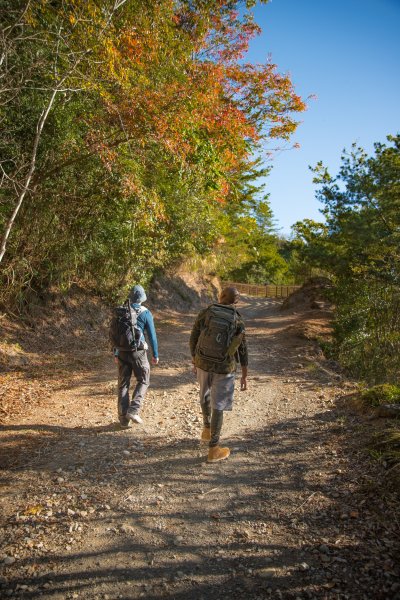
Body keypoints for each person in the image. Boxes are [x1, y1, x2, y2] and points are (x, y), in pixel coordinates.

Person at [189, 286, 248, 462]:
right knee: (219, 406)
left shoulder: (207, 312)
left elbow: (194, 335)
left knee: (204, 394)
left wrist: (195, 358)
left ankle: (207, 430)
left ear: (220, 296)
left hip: (202, 362)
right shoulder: (237, 319)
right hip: (224, 367)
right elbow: (242, 349)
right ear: (236, 301)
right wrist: (244, 374)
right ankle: (213, 449)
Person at [114, 284, 159, 427]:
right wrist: (155, 354)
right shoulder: (145, 313)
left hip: (121, 351)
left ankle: (123, 419)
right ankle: (134, 410)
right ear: (142, 298)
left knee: (123, 384)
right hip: (138, 352)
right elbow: (152, 336)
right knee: (144, 380)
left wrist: (116, 352)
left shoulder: (122, 311)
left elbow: (117, 334)